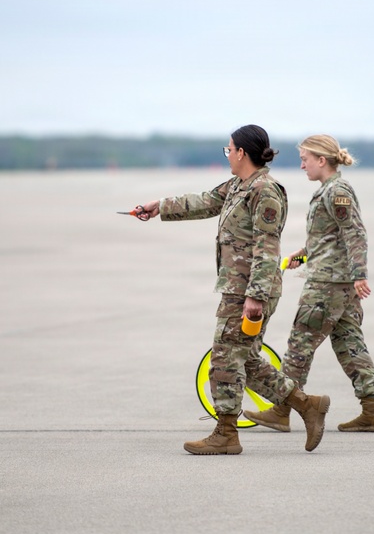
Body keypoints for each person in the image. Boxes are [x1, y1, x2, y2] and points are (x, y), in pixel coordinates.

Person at [134, 125, 331, 455]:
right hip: (239, 287)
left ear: (242, 152)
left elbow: (267, 246)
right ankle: (307, 405)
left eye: (229, 150)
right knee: (246, 360)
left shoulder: (265, 191)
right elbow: (206, 201)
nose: (227, 155)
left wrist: (255, 295)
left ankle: (226, 433)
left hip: (249, 290)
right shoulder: (240, 185)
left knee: (225, 358)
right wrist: (160, 207)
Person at [244, 134, 374, 433]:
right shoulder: (329, 190)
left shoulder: (337, 191)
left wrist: (360, 274)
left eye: (305, 160)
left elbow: (354, 233)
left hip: (327, 283)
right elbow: (329, 237)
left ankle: (282, 410)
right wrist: (302, 255)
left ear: (321, 160)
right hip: (337, 281)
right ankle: (371, 411)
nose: (302, 166)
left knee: (300, 344)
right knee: (349, 344)